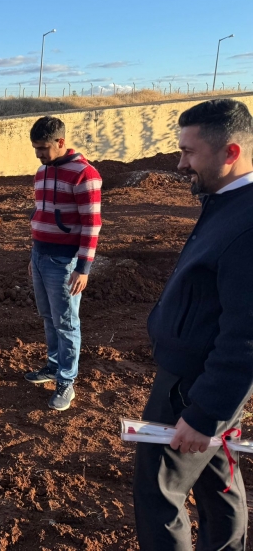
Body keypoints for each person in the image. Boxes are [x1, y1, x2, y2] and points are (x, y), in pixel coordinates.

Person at [133, 99, 253, 550]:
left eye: (189, 152)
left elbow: (247, 332)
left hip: (195, 386)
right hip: (205, 382)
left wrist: (204, 413)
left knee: (159, 492)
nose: (180, 163)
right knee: (218, 480)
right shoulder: (227, 203)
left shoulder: (247, 222)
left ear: (231, 153)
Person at [24, 116, 102, 411]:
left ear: (60, 142)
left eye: (43, 148)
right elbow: (41, 214)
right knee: (48, 316)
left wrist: (83, 268)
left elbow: (92, 224)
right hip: (41, 255)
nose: (39, 155)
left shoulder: (85, 174)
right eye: (35, 149)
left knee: (67, 323)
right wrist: (34, 254)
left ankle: (66, 382)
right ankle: (53, 366)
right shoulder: (42, 173)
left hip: (64, 261)